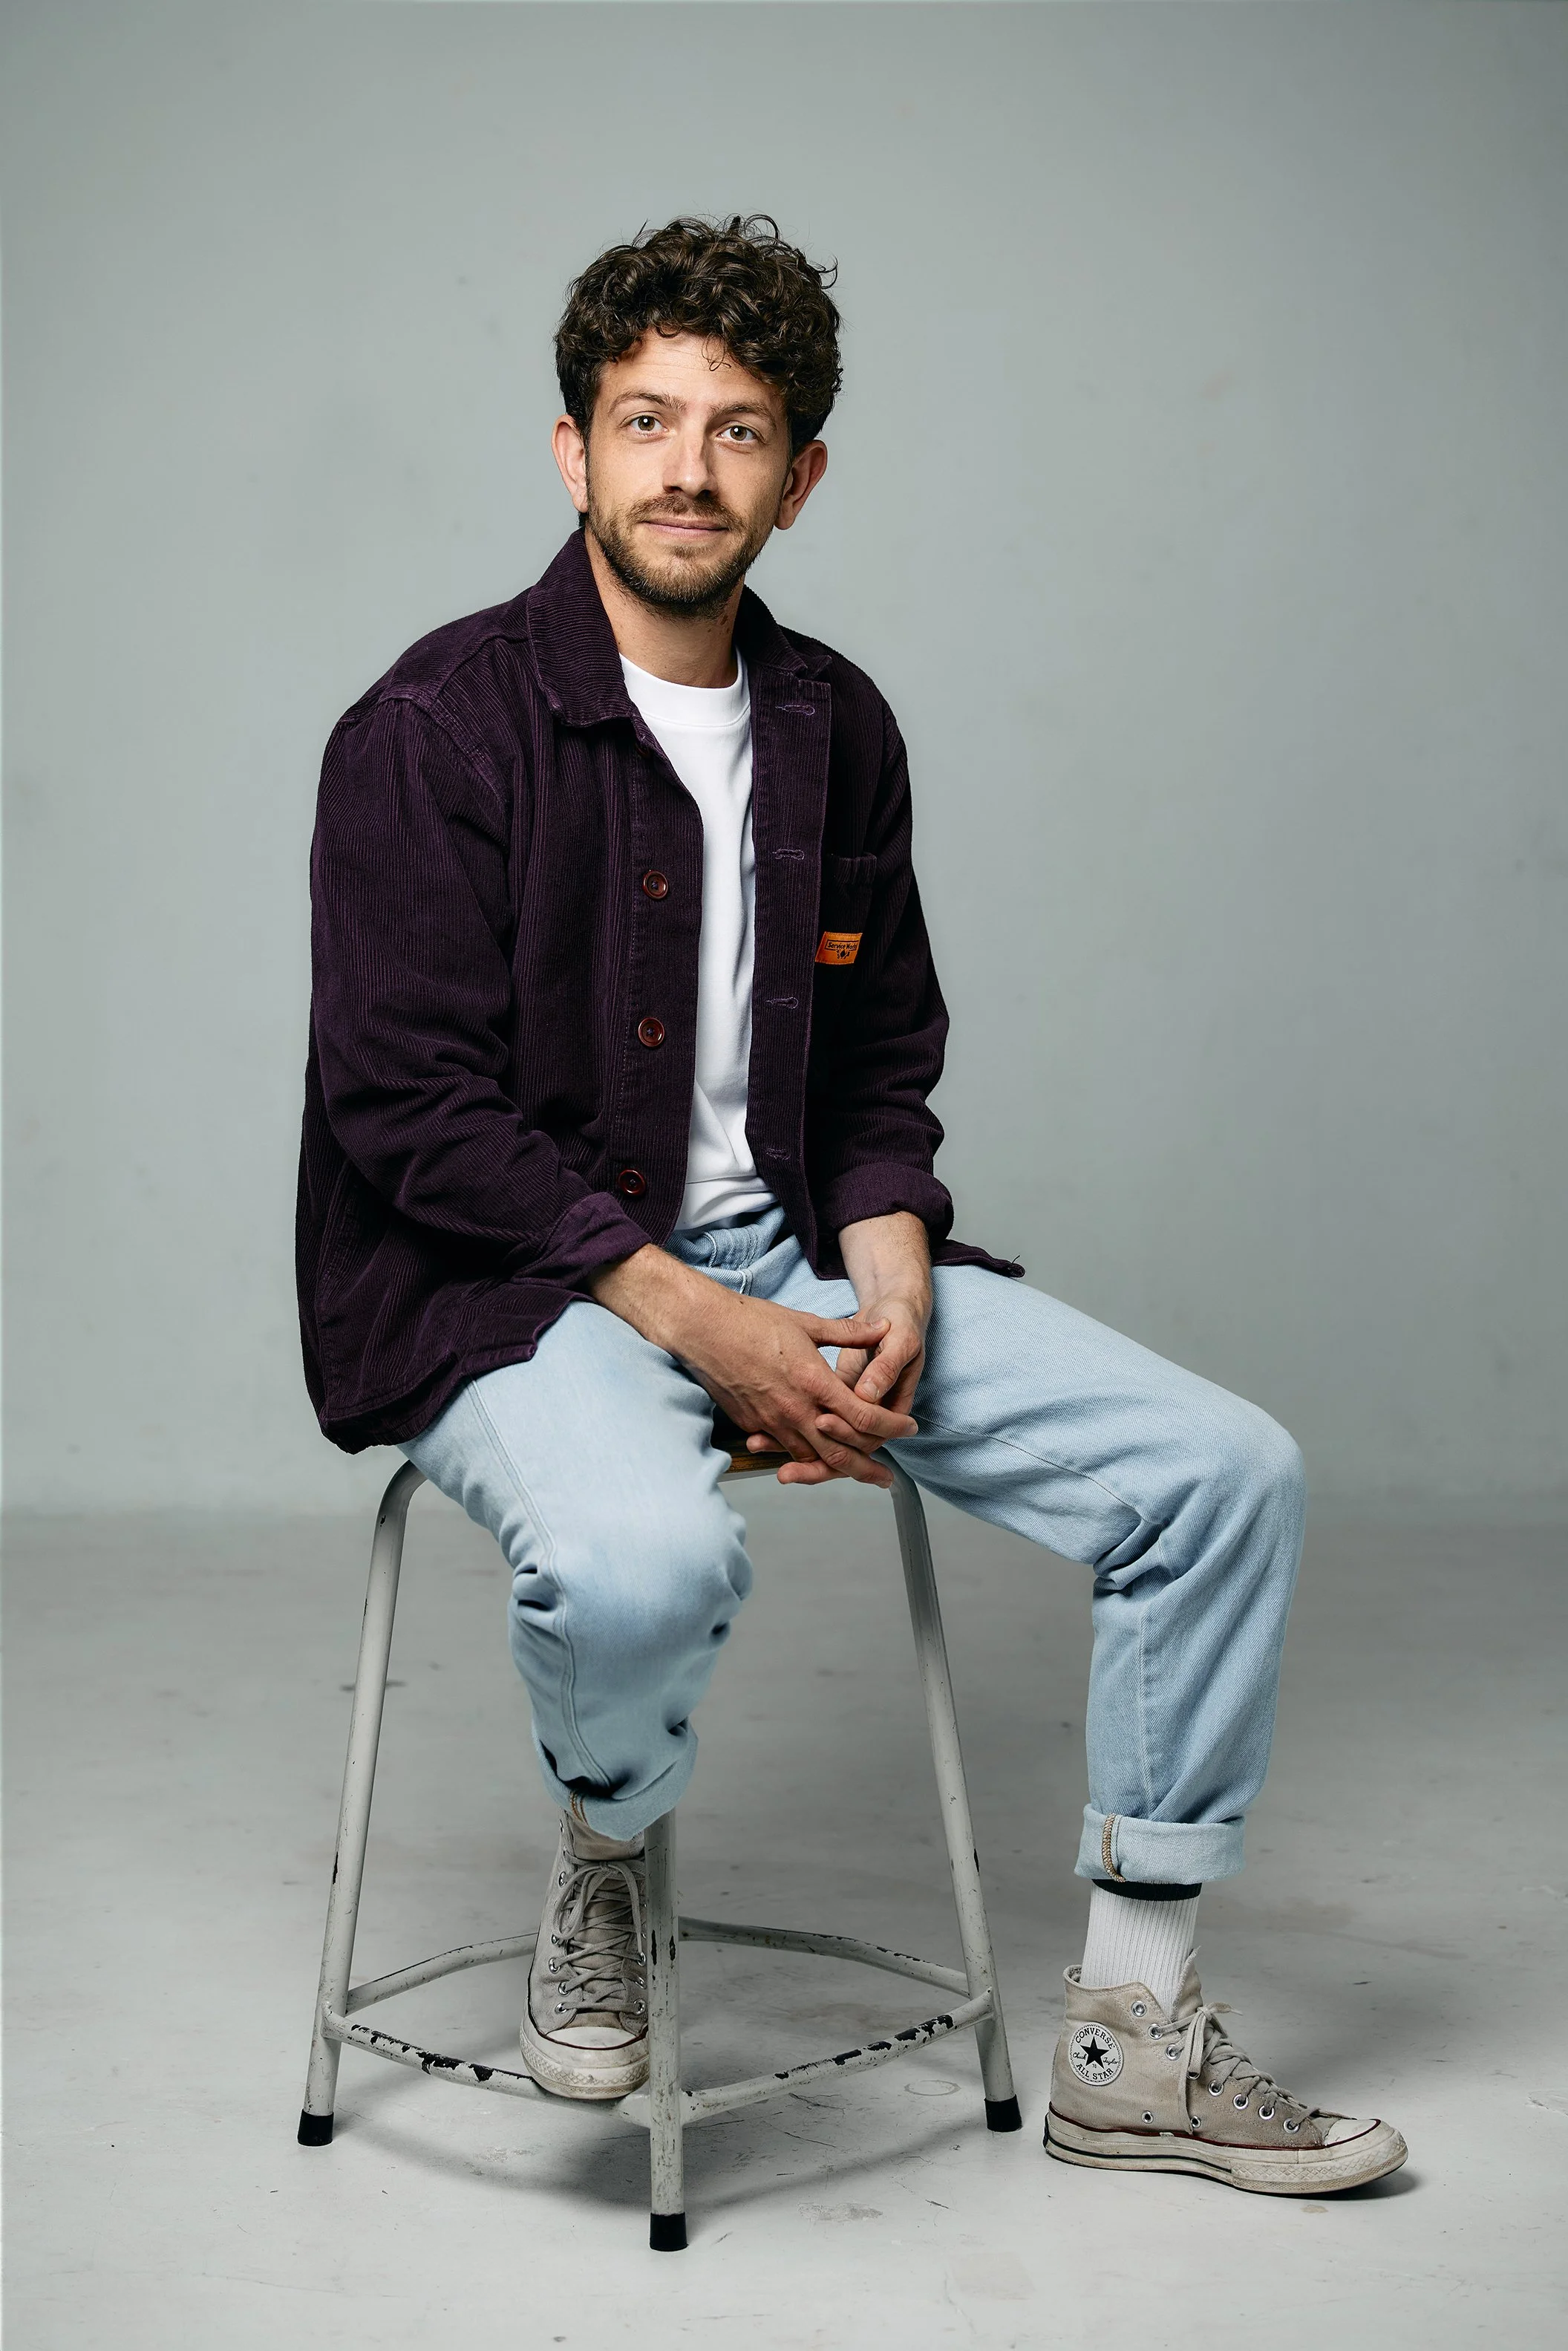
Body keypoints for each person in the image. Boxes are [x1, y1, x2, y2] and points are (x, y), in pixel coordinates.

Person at [298, 215, 1405, 2194]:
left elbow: (884, 1055)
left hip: (796, 1262)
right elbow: (406, 1107)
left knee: (1224, 1473)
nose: (686, 468)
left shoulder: (835, 727)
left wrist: (884, 1277)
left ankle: (1136, 2038)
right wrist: (698, 1324)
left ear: (799, 475)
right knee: (643, 1567)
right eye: (644, 420)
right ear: (572, 451)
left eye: (738, 430)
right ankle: (608, 1861)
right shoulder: (429, 731)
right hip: (516, 1289)